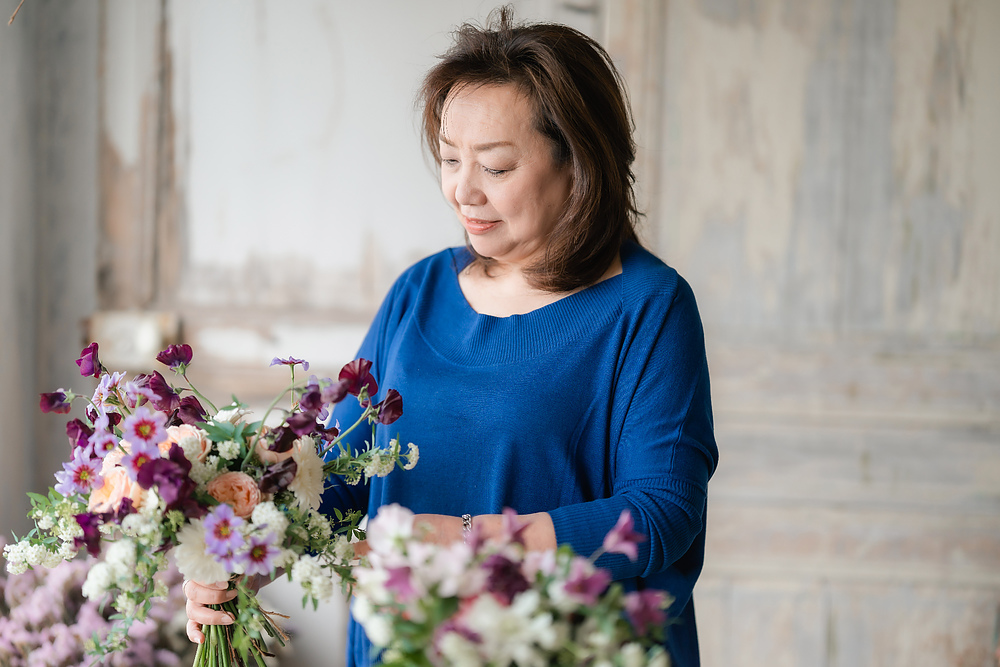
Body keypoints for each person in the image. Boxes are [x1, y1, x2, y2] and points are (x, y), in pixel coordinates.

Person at [185, 7, 718, 666]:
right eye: (448, 158)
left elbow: (662, 512)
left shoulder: (648, 308)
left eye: (494, 166)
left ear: (576, 161)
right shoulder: (421, 292)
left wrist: (473, 539)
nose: (462, 190)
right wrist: (247, 549)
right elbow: (341, 476)